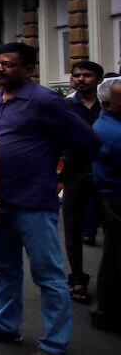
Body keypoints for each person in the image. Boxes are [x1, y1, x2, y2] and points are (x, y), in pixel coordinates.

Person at [0, 41, 99, 355]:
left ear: (29, 69)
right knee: (4, 267)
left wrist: (61, 175)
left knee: (48, 275)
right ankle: (4, 325)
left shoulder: (45, 101)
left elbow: (87, 141)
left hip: (34, 203)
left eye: (8, 64)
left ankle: (54, 346)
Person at [63, 60, 103, 304]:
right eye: (76, 75)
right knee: (73, 229)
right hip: (75, 173)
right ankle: (77, 277)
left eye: (86, 75)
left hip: (106, 174)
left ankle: (111, 280)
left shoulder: (109, 105)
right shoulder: (66, 106)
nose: (80, 79)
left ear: (98, 79)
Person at [91, 77, 121, 333]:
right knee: (116, 254)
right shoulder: (111, 131)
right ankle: (108, 311)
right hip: (115, 196)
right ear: (109, 105)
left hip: (111, 194)